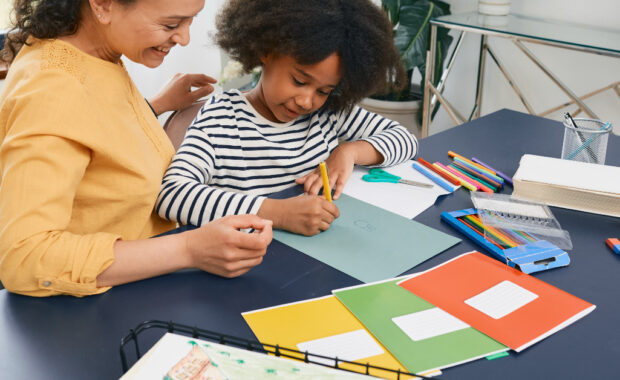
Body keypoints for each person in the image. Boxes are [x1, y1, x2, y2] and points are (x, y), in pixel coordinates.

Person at [0, 0, 273, 297]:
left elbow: (90, 134)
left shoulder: (93, 55)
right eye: (170, 25)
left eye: (191, 20)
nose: (184, 38)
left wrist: (154, 107)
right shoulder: (53, 90)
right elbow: (24, 258)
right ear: (103, 5)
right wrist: (189, 248)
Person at [155, 0, 418, 237]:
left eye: (324, 91)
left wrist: (349, 152)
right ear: (266, 52)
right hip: (246, 265)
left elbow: (405, 139)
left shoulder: (328, 113)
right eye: (299, 81)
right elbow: (173, 195)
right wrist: (278, 213)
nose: (307, 101)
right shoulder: (221, 118)